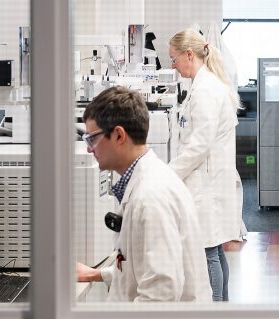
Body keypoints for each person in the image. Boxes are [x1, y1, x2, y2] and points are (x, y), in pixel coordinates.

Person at [76, 86, 211, 303]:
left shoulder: (151, 197)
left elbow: (161, 294)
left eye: (92, 139)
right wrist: (96, 274)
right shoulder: (148, 180)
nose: (89, 149)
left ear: (119, 135)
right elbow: (141, 266)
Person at [167, 29, 245, 302]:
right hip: (210, 180)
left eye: (174, 60)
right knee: (214, 250)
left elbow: (199, 145)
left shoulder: (206, 90)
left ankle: (215, 309)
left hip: (207, 184)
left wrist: (169, 174)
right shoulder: (204, 86)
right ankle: (221, 308)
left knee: (208, 251)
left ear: (190, 54)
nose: (173, 67)